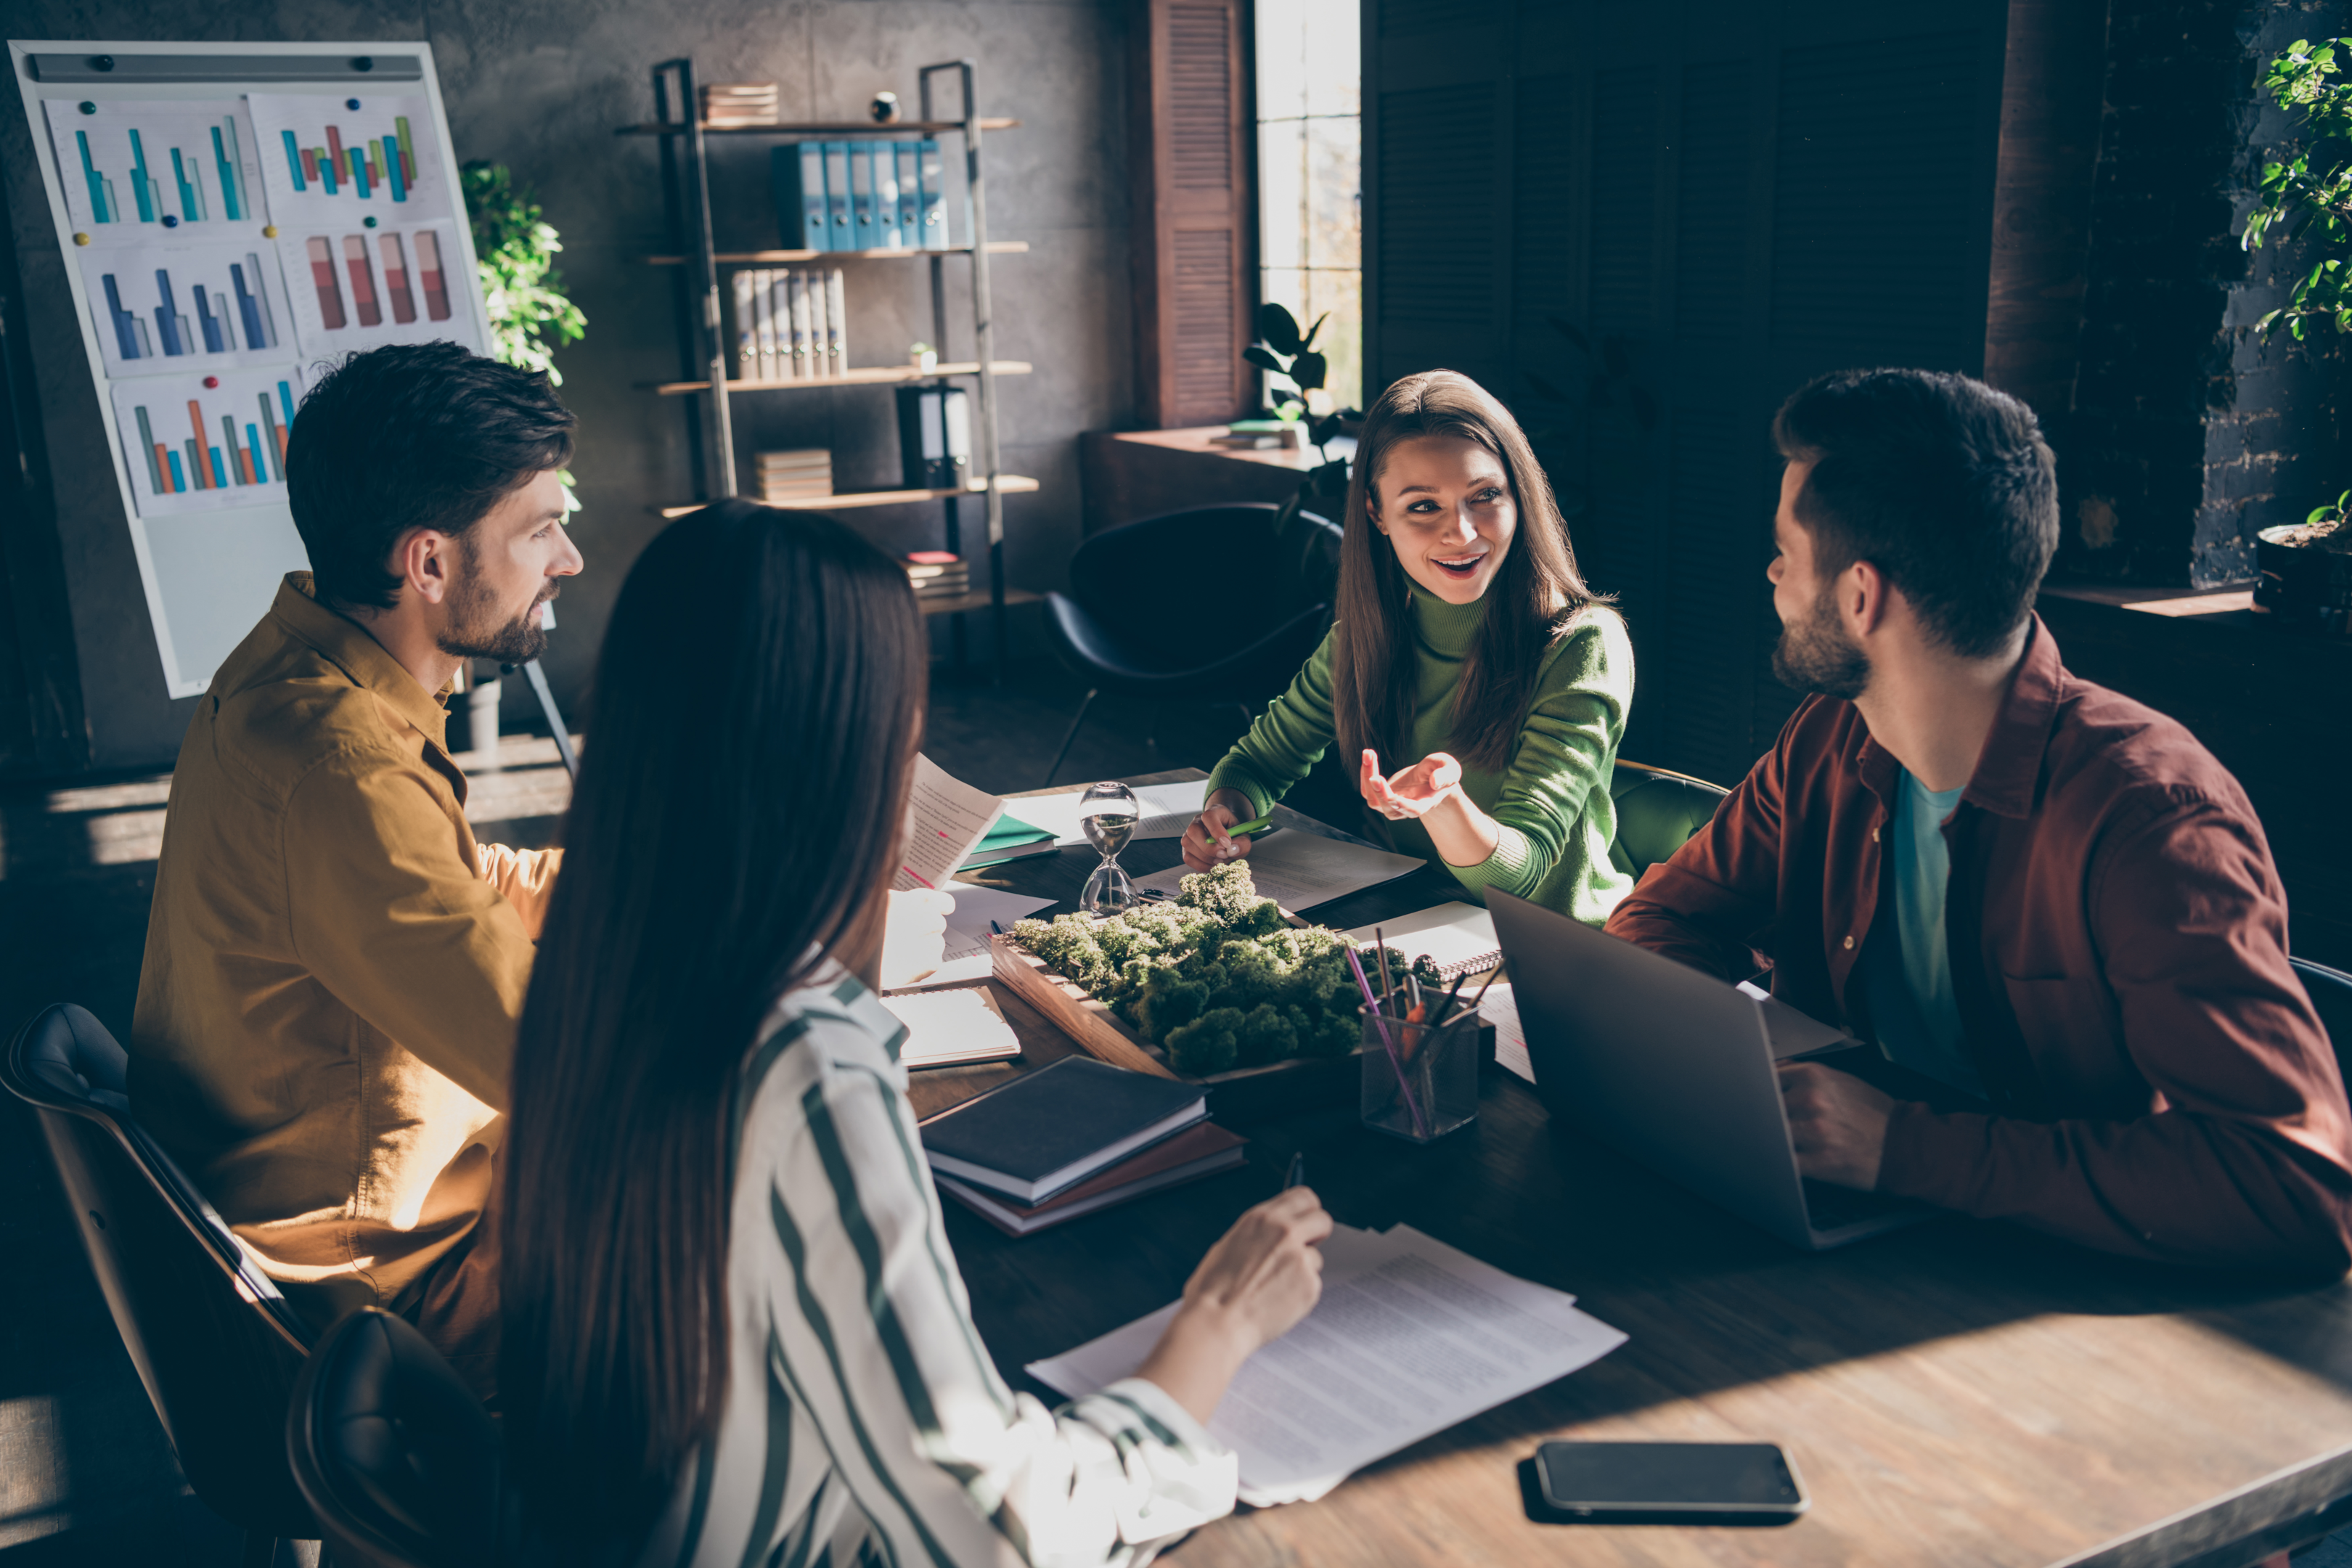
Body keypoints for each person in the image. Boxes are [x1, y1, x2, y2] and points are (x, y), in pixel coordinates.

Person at [499, 499, 1334, 1567]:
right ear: (842, 758)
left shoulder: (605, 964)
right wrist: (1217, 1326)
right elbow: (1007, 1535)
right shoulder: (798, 1063)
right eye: (905, 731)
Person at [1606, 367, 2352, 1271]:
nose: (1770, 575)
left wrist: (1902, 1149)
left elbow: (2291, 1184)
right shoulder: (1828, 739)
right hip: (1822, 1242)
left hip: (2058, 1298)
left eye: (1785, 554)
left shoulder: (2153, 820)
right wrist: (1739, 1061)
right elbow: (1661, 916)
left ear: (1860, 597)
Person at [131, 343, 582, 1392]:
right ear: (429, 564)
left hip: (304, 1217)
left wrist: (689, 883)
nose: (565, 558)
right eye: (541, 530)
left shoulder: (298, 668)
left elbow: (460, 885)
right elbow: (563, 1071)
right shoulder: (344, 771)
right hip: (389, 1296)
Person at [1183, 369, 1635, 926]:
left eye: (1485, 496)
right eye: (1424, 506)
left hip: (1554, 947)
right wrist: (1224, 818)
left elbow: (1523, 874)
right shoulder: (1367, 634)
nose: (1463, 533)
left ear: (1519, 497)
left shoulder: (1582, 641)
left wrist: (1443, 804)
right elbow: (1258, 761)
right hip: (1410, 917)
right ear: (1377, 514)